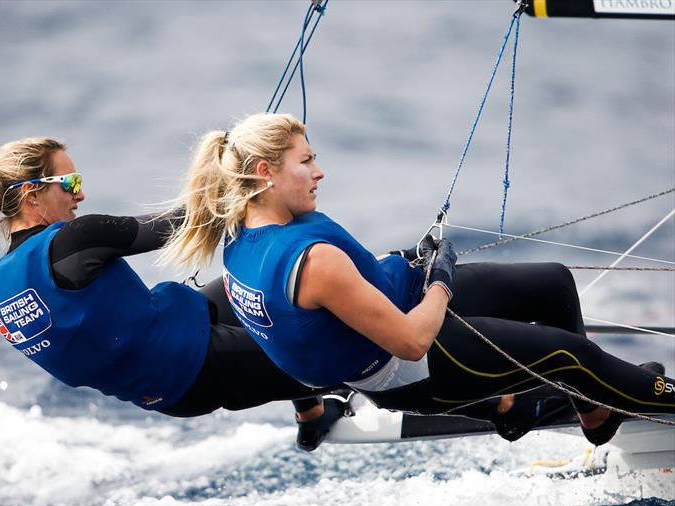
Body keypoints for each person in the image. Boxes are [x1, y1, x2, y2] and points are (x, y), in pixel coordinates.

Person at [159, 112, 674, 446]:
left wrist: (408, 259)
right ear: (265, 172)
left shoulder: (241, 234)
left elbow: (303, 323)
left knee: (553, 284)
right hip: (415, 366)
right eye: (306, 160)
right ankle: (630, 392)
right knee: (570, 356)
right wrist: (441, 281)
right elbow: (409, 340)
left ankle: (593, 413)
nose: (320, 172)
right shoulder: (311, 261)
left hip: (399, 296)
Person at [0, 137, 349, 452]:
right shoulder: (73, 242)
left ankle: (311, 418)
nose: (80, 195)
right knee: (342, 348)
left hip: (170, 365)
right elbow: (187, 222)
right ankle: (394, 378)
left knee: (261, 290)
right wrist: (245, 180)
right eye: (71, 184)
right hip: (200, 367)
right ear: (32, 196)